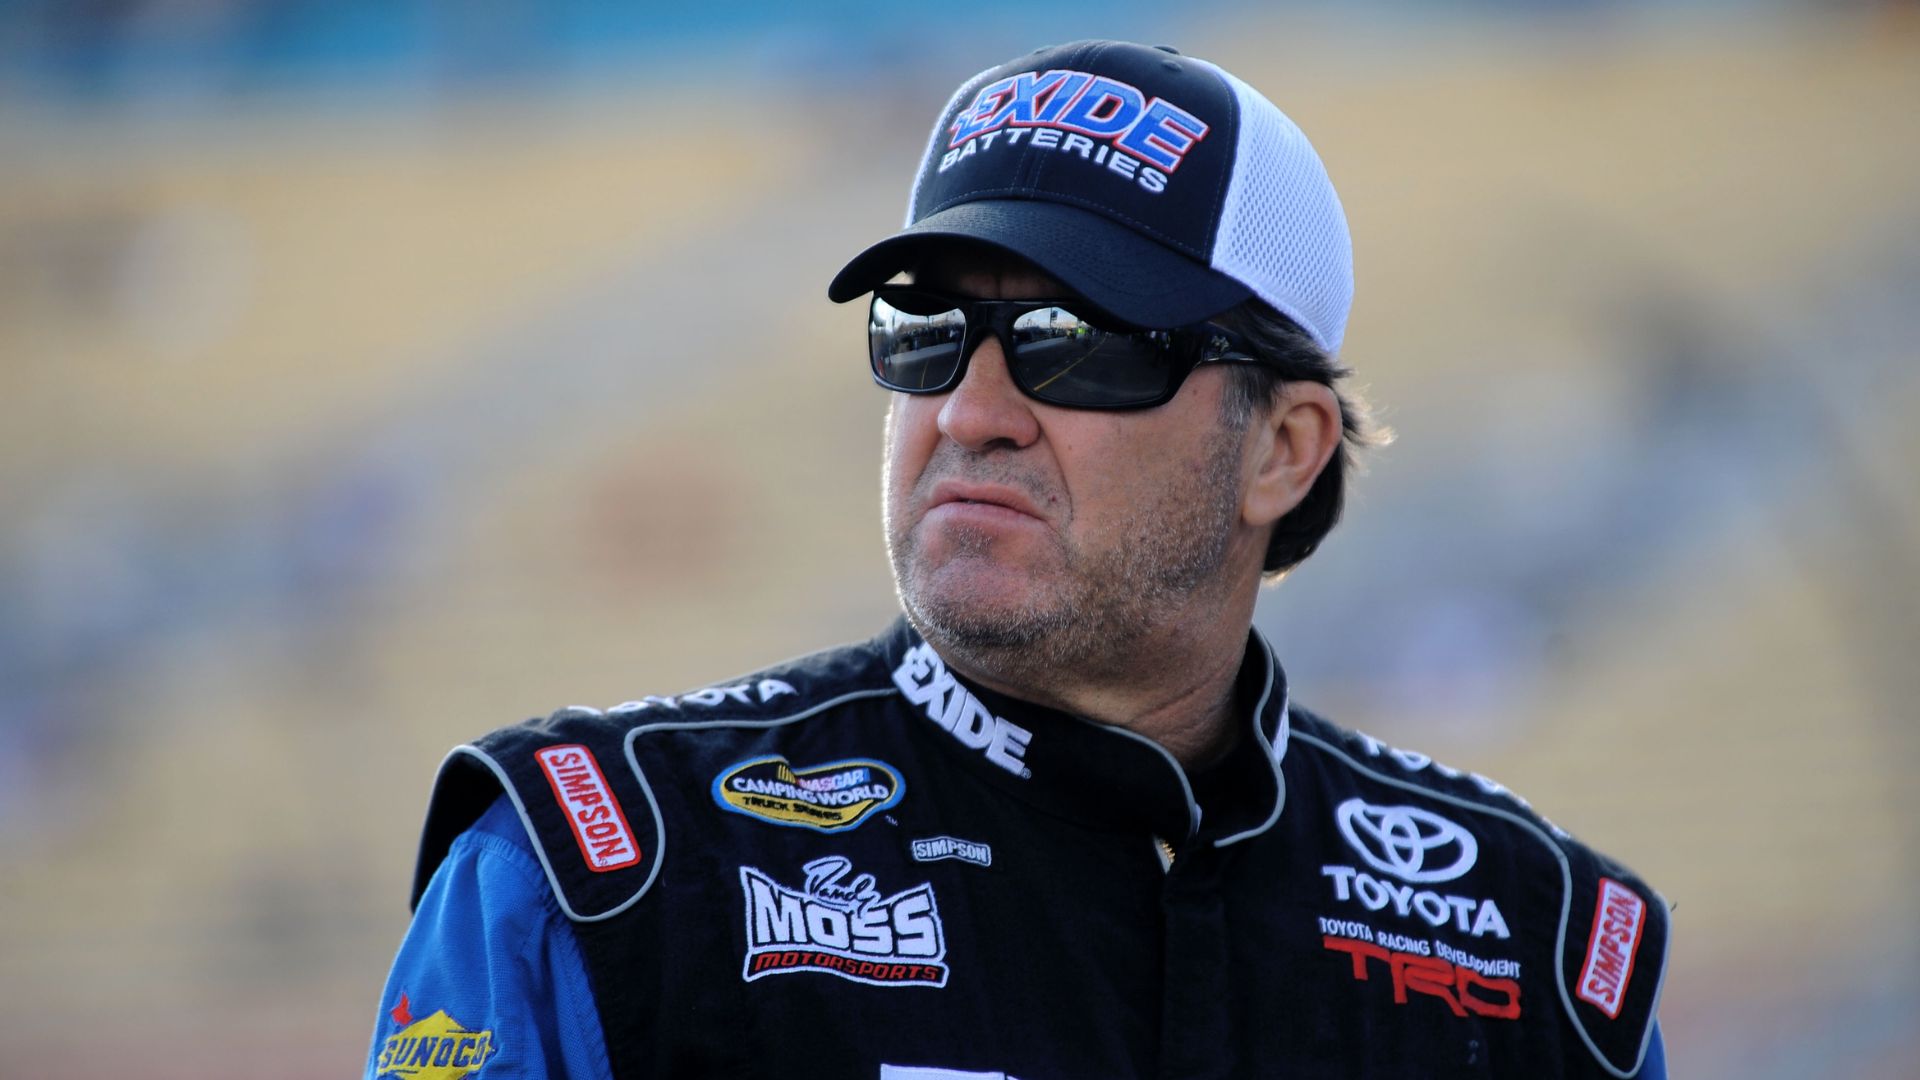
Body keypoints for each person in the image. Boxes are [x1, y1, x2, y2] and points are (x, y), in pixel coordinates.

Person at [366, 39, 1670, 1079]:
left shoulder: (1538, 944)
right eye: (923, 329)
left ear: (1283, 449)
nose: (971, 409)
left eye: (1070, 337)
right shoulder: (602, 868)